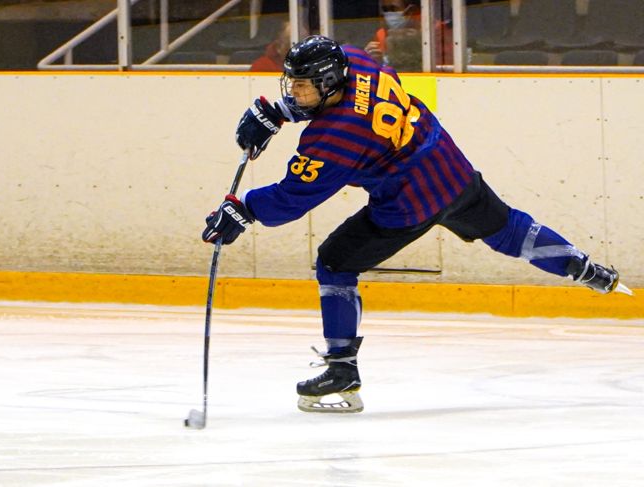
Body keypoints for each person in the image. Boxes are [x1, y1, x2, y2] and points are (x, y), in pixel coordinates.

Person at [202, 36, 631, 413]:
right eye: (291, 84)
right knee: (508, 229)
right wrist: (280, 112)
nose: (294, 91)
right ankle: (584, 268)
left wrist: (243, 209)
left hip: (408, 202)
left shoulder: (334, 138)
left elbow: (293, 198)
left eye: (302, 86)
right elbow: (351, 106)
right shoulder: (358, 61)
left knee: (334, 262)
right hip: (448, 166)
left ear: (330, 83)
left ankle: (341, 371)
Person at [364, 0, 453, 72]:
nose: (389, 13)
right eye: (385, 9)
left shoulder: (433, 30)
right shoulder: (381, 34)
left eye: (393, 8)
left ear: (410, 10)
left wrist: (415, 42)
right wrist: (368, 58)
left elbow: (447, 65)